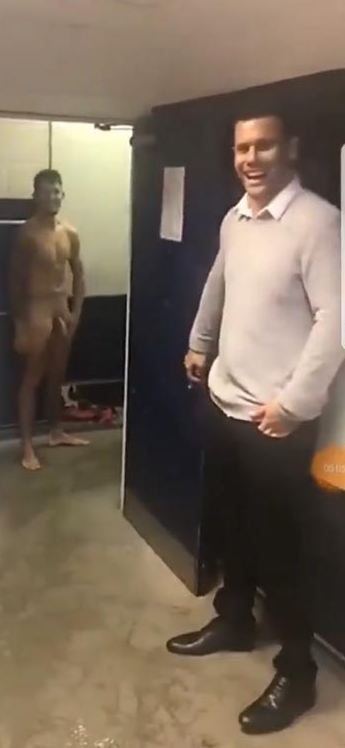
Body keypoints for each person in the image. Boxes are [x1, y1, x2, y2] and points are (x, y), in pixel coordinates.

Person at [166, 110, 344, 735]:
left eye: (263, 146)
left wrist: (293, 404)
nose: (250, 158)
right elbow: (219, 282)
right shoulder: (235, 219)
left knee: (284, 551)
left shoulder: (319, 222)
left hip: (276, 424)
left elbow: (335, 320)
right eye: (242, 147)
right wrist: (199, 341)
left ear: (288, 148)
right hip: (225, 403)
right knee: (233, 528)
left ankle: (298, 673)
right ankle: (236, 619)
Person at [10, 169, 88, 471]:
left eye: (56, 191)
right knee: (32, 378)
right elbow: (14, 282)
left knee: (57, 375)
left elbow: (79, 274)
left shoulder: (70, 232)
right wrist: (19, 324)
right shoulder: (27, 234)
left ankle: (56, 431)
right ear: (36, 196)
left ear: (62, 194)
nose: (52, 197)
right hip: (36, 309)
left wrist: (76, 313)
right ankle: (27, 446)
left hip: (61, 308)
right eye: (46, 192)